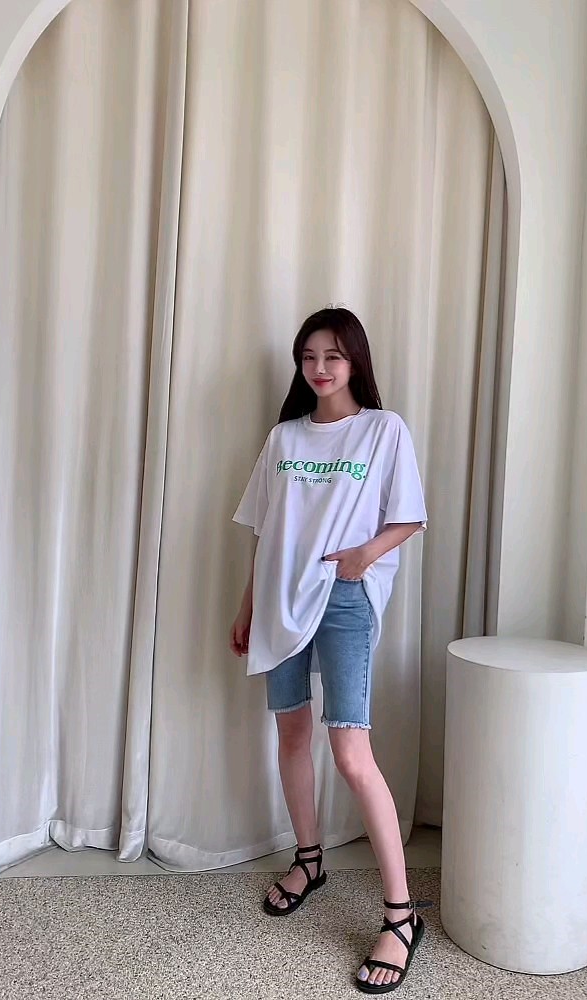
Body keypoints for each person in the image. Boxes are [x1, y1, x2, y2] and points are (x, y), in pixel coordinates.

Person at [230, 306, 427, 994]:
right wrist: (248, 606)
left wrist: (362, 557)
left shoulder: (383, 429)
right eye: (309, 356)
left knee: (350, 753)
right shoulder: (284, 437)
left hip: (345, 600)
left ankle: (400, 916)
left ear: (355, 362)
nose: (319, 368)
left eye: (333, 356)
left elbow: (409, 516)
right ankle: (309, 859)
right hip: (279, 599)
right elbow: (265, 532)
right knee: (291, 734)